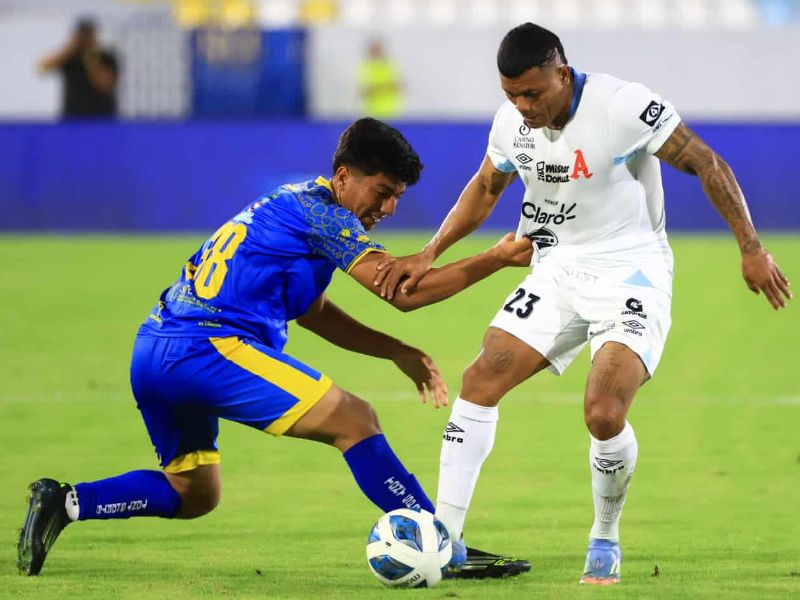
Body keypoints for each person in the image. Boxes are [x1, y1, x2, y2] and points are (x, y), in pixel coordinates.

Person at [17, 118, 533, 578]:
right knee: (356, 421)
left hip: (154, 349)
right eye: (381, 191)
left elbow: (310, 310)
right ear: (344, 174)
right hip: (206, 347)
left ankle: (65, 503)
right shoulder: (326, 217)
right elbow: (404, 291)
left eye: (397, 195)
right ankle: (445, 548)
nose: (389, 207)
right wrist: (493, 258)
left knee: (194, 492)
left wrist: (392, 350)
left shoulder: (292, 206)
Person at [373, 23, 792, 585]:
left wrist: (751, 248)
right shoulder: (511, 124)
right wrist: (428, 253)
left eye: (533, 94)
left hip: (631, 273)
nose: (522, 107)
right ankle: (446, 540)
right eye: (511, 96)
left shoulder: (623, 106)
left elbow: (706, 163)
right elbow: (485, 187)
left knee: (603, 413)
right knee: (480, 379)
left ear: (562, 74)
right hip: (557, 268)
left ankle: (605, 534)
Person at [39, 18, 119, 118]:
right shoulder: (69, 57)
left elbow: (106, 85)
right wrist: (68, 49)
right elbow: (43, 68)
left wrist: (91, 57)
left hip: (102, 117)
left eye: (89, 35)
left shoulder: (106, 57)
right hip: (73, 117)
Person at [359, 39, 404, 119]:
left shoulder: (390, 66)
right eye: (375, 50)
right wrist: (386, 86)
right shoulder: (365, 68)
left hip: (392, 112)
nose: (377, 52)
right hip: (372, 113)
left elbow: (399, 86)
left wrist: (378, 87)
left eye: (379, 50)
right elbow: (365, 91)